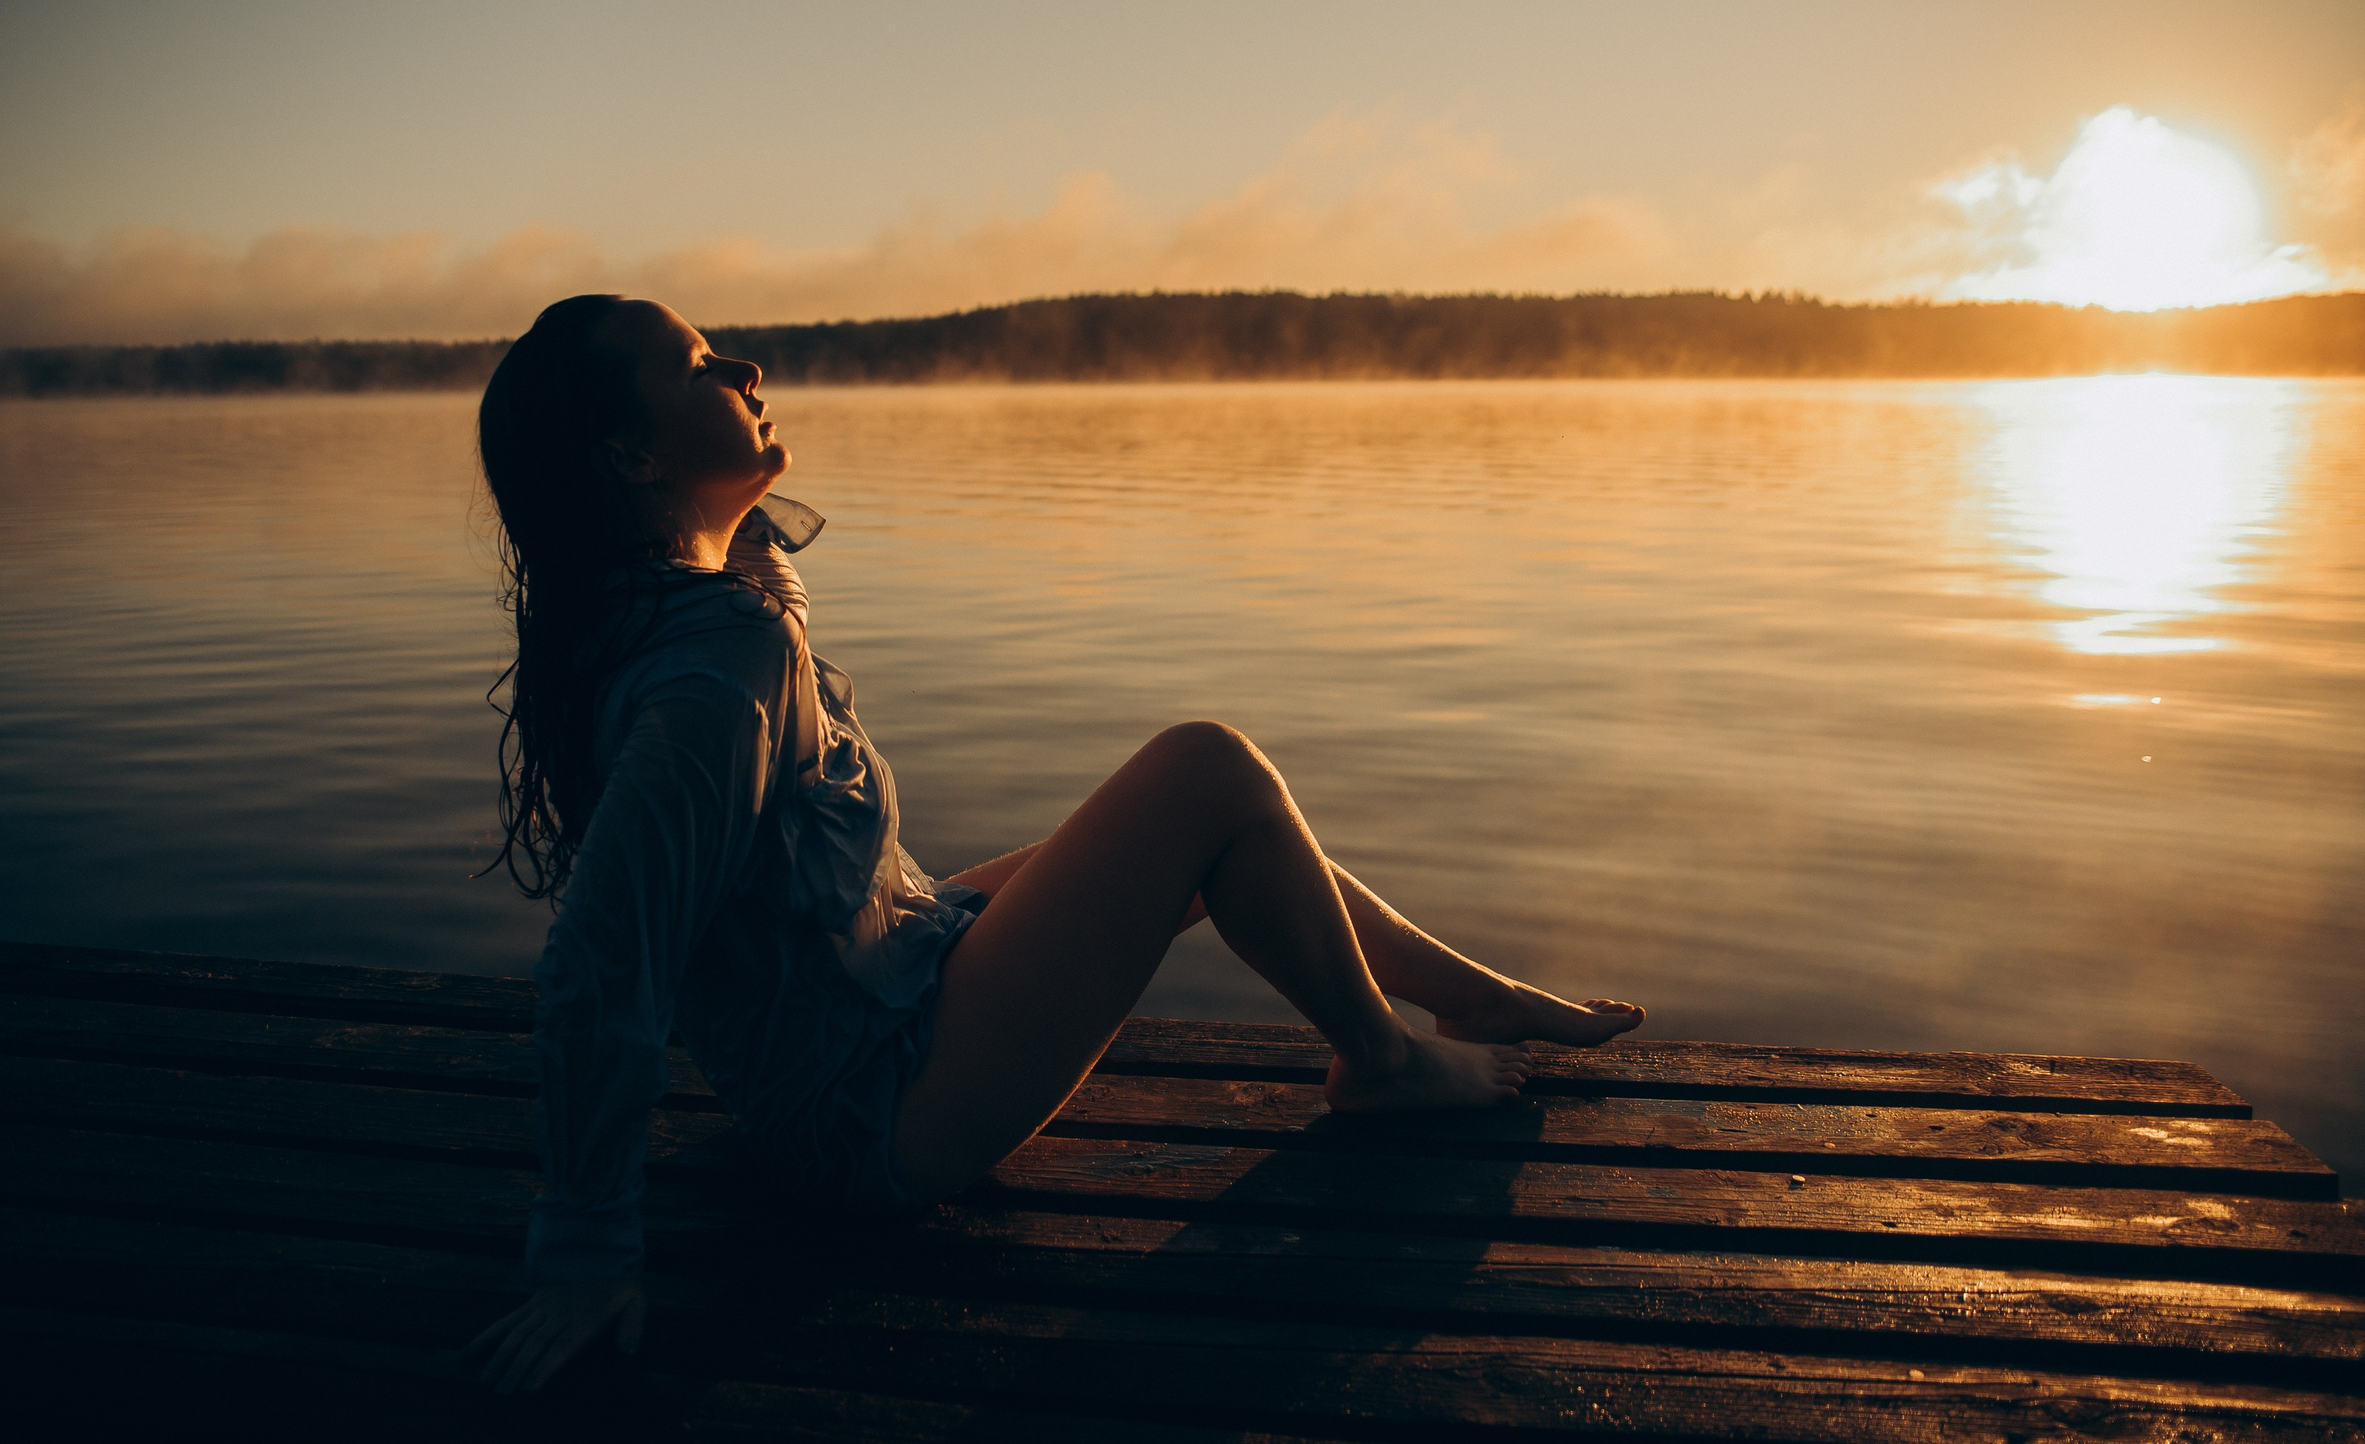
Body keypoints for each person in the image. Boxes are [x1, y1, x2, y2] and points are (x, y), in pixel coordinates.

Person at [462, 294, 1645, 1394]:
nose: (745, 365)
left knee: (1196, 821)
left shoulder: (678, 605)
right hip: (871, 1110)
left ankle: (1470, 997)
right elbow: (600, 966)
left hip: (872, 999)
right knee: (1206, 768)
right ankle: (1386, 1062)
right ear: (630, 456)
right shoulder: (714, 668)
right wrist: (582, 1250)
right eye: (698, 364)